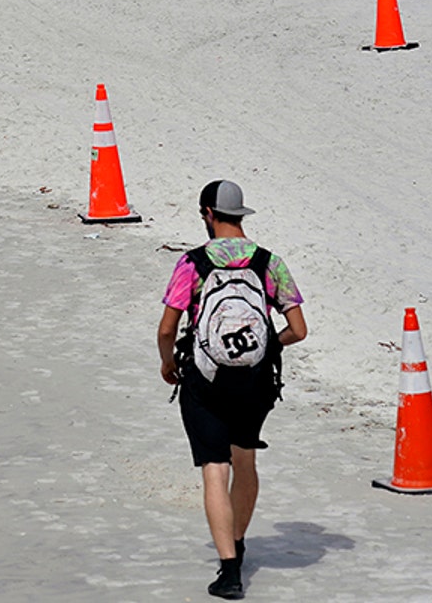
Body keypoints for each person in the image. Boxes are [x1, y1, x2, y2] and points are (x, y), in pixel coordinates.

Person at [157, 181, 307, 600]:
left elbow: (168, 328)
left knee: (214, 469)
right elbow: (299, 330)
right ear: (241, 215)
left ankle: (229, 570)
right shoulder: (268, 262)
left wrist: (168, 362)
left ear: (208, 213)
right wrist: (267, 345)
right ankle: (239, 543)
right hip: (255, 382)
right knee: (245, 461)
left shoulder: (193, 263)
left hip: (205, 381)